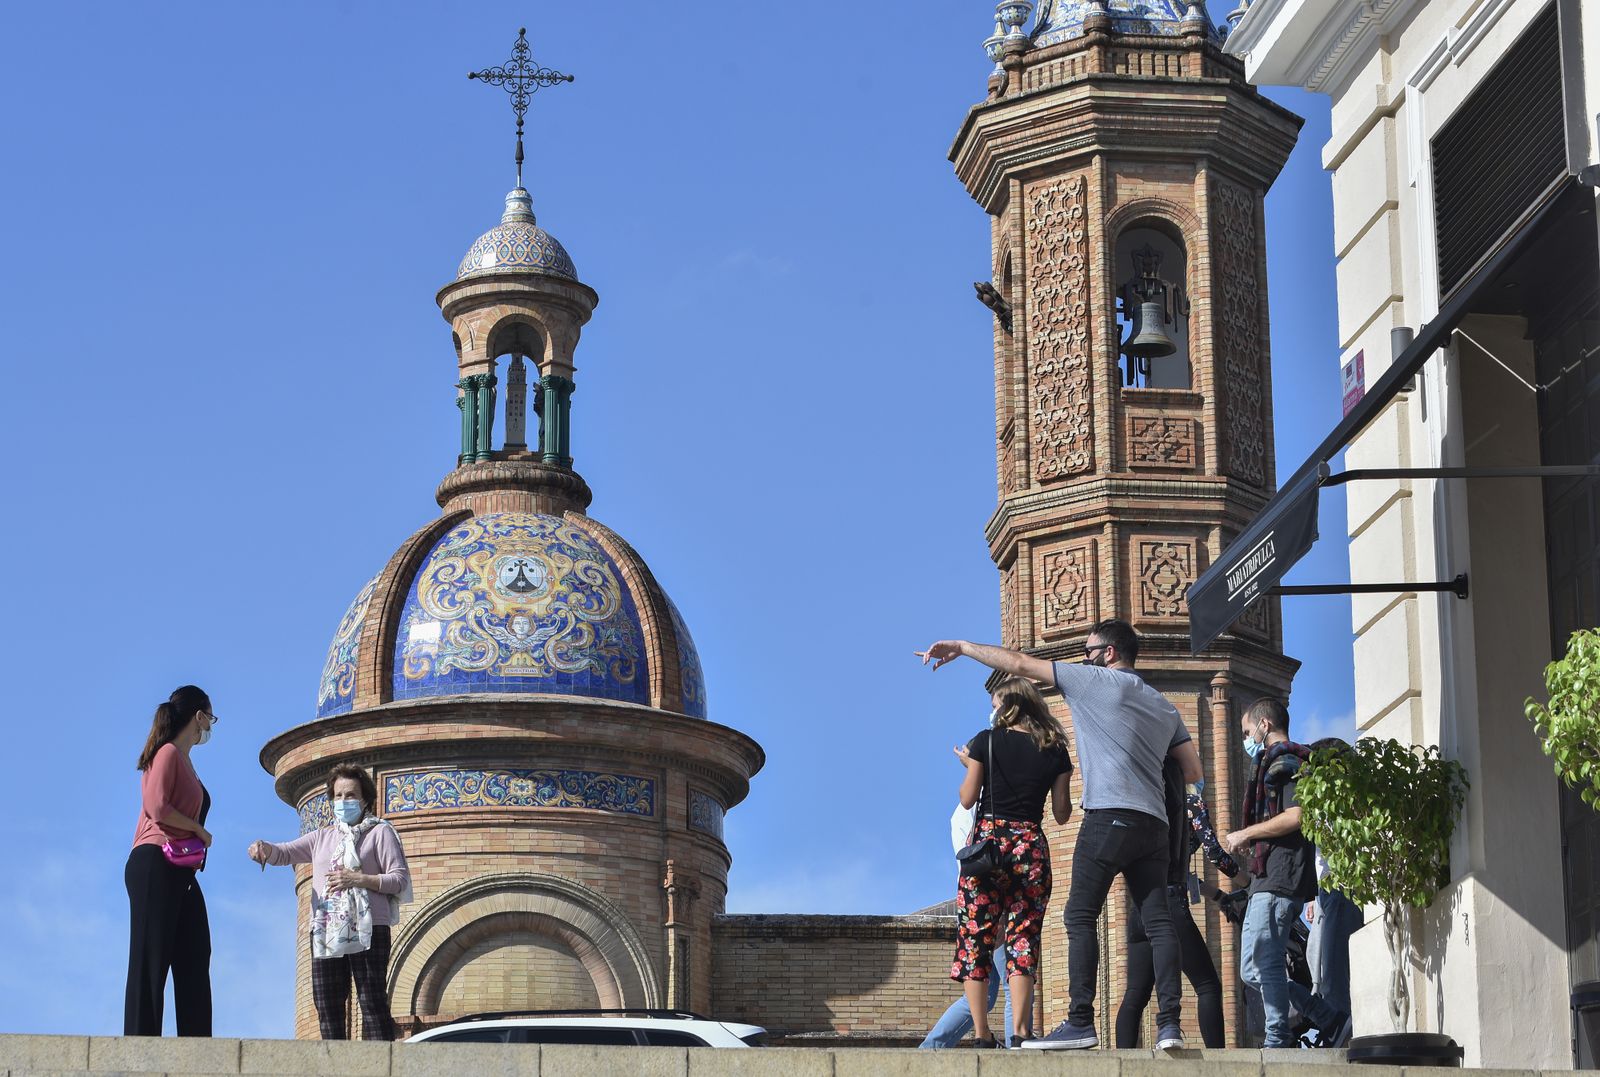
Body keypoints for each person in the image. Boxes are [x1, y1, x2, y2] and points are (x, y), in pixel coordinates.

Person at [921, 619, 1203, 1051]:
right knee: (1159, 922)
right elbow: (1193, 772)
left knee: (1078, 915)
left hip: (1108, 816)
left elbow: (1017, 662)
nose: (1083, 658)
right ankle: (1169, 1025)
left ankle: (1080, 1022)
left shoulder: (1094, 681)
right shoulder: (1162, 705)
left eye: (1088, 651)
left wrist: (962, 646)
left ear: (1108, 654)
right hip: (1155, 826)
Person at [948, 676, 1073, 1047]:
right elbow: (1063, 813)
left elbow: (968, 799)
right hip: (1030, 847)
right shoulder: (1056, 750)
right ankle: (1020, 1032)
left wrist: (972, 764)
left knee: (975, 938)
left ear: (1006, 706)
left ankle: (983, 1035)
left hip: (988, 848)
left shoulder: (984, 742)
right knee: (1022, 940)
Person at [1220, 699, 1351, 1049]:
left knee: (1266, 960)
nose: (1247, 740)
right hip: (1267, 877)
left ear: (1264, 725)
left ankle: (1277, 1037)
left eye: (1248, 732)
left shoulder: (1285, 762)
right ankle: (1326, 1016)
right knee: (1251, 969)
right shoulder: (1271, 763)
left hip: (1280, 879)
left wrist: (1248, 833)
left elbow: (1297, 816)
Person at [249, 763, 412, 1040]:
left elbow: (398, 880)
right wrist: (264, 848)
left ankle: (380, 1067)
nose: (344, 801)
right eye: (338, 795)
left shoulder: (379, 833)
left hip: (369, 925)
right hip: (327, 927)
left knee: (371, 1000)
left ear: (365, 799)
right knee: (327, 1004)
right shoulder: (322, 837)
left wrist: (358, 879)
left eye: (350, 795)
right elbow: (284, 853)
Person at [1115, 756, 1227, 1048]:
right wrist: (1244, 881)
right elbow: (1215, 852)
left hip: (1139, 908)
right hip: (1170, 907)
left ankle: (1119, 1062)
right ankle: (1222, 1064)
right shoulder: (1190, 803)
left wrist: (1216, 894)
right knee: (1208, 986)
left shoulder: (1147, 803)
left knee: (1135, 995)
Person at [126, 685, 217, 1037]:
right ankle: (140, 1043)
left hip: (180, 869)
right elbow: (157, 807)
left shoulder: (187, 763)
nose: (210, 725)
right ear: (198, 716)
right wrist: (198, 830)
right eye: (210, 717)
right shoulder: (165, 753)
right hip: (153, 861)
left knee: (196, 951)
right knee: (150, 957)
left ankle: (196, 1045)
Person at [1304, 737, 1363, 1044]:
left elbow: (1330, 853)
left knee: (1336, 968)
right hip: (1331, 890)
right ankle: (1338, 1024)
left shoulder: (1340, 800)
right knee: (1332, 966)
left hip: (1341, 886)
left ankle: (1341, 1028)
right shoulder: (1333, 801)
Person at [920, 945, 1013, 1048]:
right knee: (1013, 993)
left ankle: (930, 1048)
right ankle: (1017, 1051)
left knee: (980, 998)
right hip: (1003, 933)